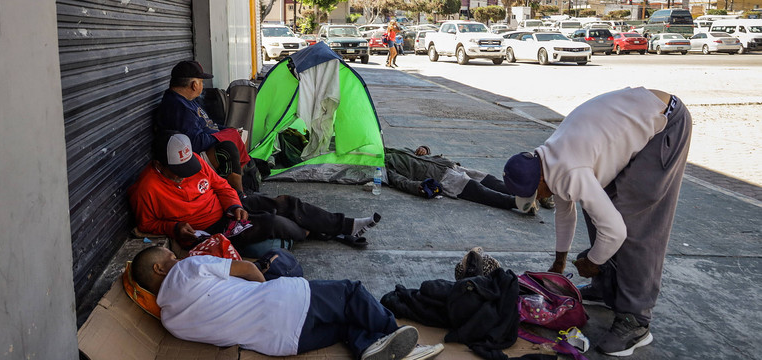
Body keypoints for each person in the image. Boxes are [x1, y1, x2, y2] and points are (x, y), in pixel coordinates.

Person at [502, 87, 692, 356]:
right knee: (598, 207)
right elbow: (565, 212)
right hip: (634, 116)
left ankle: (636, 320)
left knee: (632, 222)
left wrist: (593, 260)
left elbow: (615, 232)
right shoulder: (548, 159)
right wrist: (560, 261)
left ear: (541, 180)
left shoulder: (570, 169)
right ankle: (606, 287)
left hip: (665, 121)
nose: (539, 199)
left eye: (536, 194)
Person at [131, 246, 444, 359]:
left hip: (283, 344)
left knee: (346, 324)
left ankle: (369, 348)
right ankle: (396, 338)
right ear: (159, 268)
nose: (176, 256)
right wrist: (266, 293)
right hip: (287, 303)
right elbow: (249, 269)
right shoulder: (188, 267)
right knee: (351, 292)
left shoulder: (171, 323)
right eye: (169, 256)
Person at [128, 131, 382, 251]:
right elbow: (146, 223)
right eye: (178, 171)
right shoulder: (146, 189)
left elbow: (221, 185)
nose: (187, 174)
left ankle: (346, 226)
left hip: (229, 210)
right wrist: (173, 228)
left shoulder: (192, 162)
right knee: (273, 222)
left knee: (286, 203)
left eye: (188, 167)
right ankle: (324, 231)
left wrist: (235, 205)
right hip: (211, 231)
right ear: (160, 165)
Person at [155, 60, 250, 193]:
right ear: (194, 85)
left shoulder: (186, 100)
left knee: (240, 133)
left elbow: (211, 125)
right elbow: (195, 143)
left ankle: (241, 182)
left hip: (207, 142)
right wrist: (220, 137)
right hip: (193, 156)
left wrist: (229, 131)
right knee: (228, 148)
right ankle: (239, 194)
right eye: (201, 82)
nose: (202, 86)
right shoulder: (178, 107)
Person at [385, 146, 552, 213]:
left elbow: (422, 152)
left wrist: (424, 149)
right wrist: (418, 187)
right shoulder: (385, 165)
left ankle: (531, 195)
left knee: (489, 180)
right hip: (441, 178)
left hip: (449, 165)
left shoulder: (395, 149)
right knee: (478, 191)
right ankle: (518, 204)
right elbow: (400, 181)